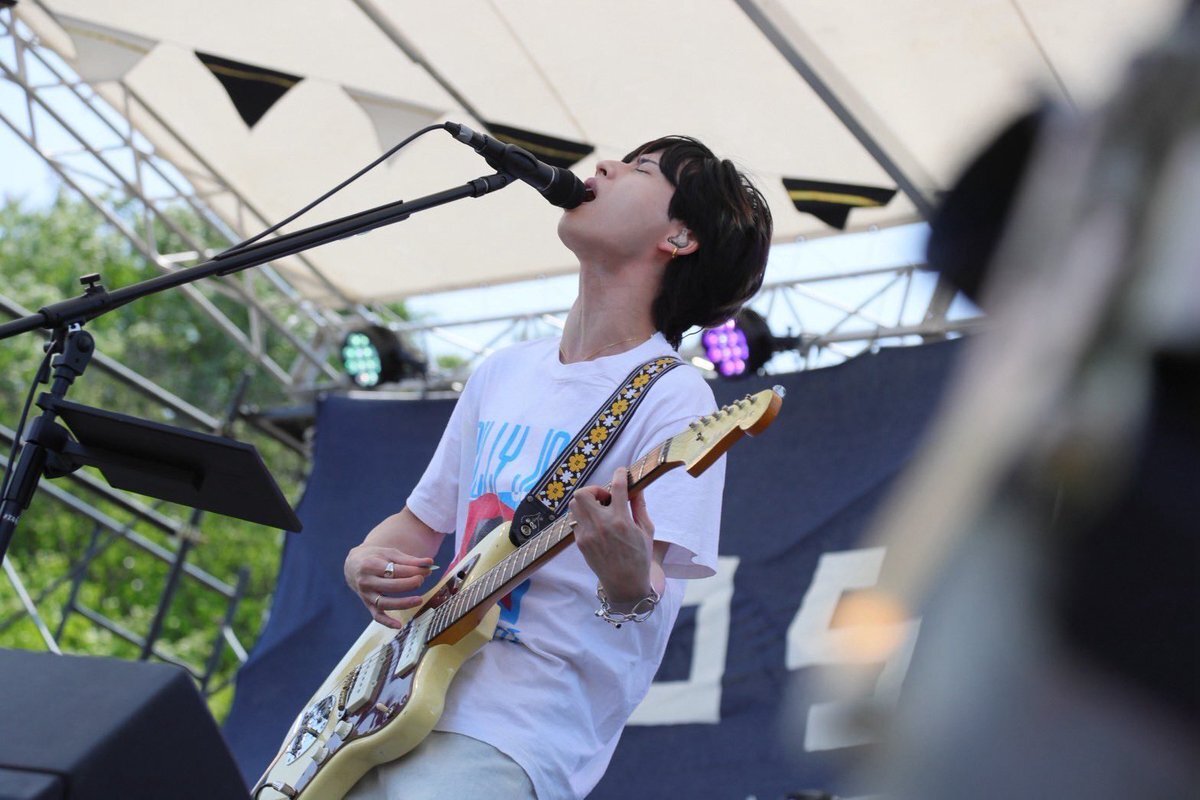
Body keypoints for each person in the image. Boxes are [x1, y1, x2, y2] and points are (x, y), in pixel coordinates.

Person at [341, 135, 772, 799]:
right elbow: (414, 527)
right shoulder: (504, 371)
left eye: (641, 169)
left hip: (511, 733)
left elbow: (644, 597)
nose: (604, 166)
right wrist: (364, 561)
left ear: (680, 237)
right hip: (383, 706)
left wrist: (626, 579)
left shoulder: (673, 394)